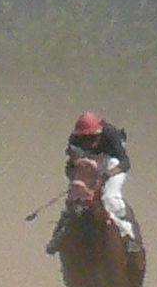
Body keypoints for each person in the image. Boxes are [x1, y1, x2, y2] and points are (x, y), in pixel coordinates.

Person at [47, 110, 141, 257]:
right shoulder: (74, 141)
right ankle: (59, 234)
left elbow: (125, 163)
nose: (88, 142)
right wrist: (78, 182)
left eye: (92, 138)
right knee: (74, 199)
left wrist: (107, 175)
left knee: (110, 197)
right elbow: (70, 167)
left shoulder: (110, 135)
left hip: (112, 165)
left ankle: (128, 236)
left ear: (99, 133)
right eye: (84, 138)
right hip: (89, 164)